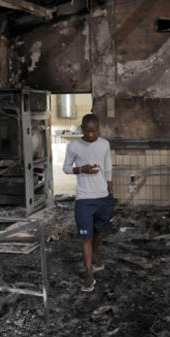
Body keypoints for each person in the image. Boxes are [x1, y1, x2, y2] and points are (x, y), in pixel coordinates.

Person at [63, 113, 114, 292]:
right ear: (82, 128)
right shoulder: (74, 145)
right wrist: (81, 169)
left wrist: (110, 187)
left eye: (94, 131)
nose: (90, 134)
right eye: (87, 131)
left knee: (99, 232)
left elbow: (107, 167)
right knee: (86, 236)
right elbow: (66, 168)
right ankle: (89, 274)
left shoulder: (105, 144)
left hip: (103, 196)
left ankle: (96, 255)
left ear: (97, 128)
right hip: (84, 198)